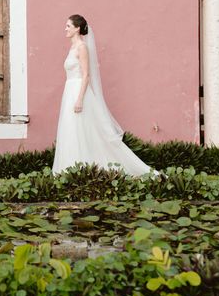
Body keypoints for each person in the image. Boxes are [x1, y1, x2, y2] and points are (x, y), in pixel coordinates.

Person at [52, 14, 153, 176]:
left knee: (82, 129)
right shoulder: (72, 48)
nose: (65, 29)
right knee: (71, 130)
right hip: (69, 91)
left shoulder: (82, 48)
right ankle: (70, 170)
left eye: (68, 26)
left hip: (79, 92)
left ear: (77, 28)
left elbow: (86, 75)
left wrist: (79, 99)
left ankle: (84, 169)